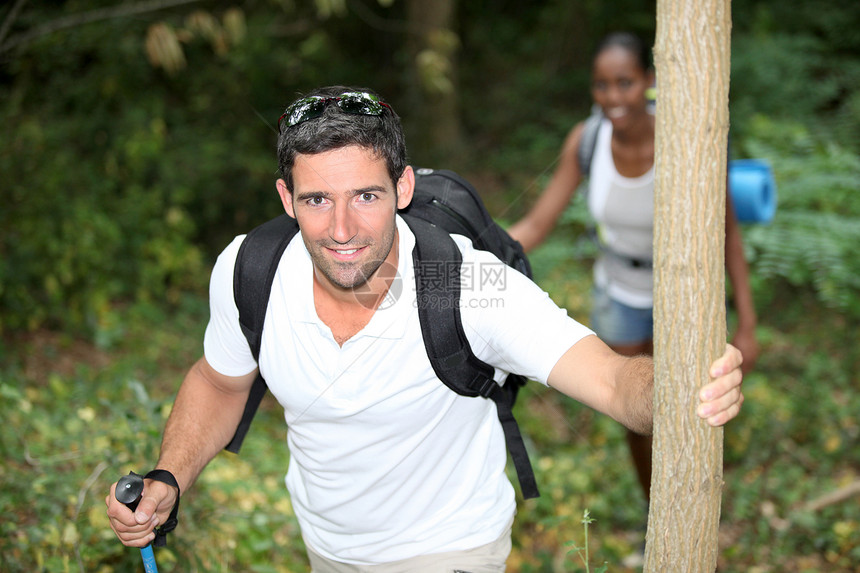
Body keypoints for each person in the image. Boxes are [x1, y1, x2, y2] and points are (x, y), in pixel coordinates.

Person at [106, 85, 745, 572]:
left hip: (451, 548)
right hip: (326, 548)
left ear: (404, 186)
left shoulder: (463, 285)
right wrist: (170, 476)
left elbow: (610, 380)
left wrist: (681, 386)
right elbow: (219, 384)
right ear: (285, 198)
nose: (342, 230)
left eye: (366, 195)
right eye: (316, 200)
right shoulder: (252, 269)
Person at [508, 32, 759, 505]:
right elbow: (538, 223)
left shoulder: (688, 140)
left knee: (698, 407)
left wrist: (747, 321)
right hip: (618, 293)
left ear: (649, 80)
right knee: (636, 413)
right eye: (601, 85)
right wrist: (466, 250)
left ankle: (699, 512)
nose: (613, 97)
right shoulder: (588, 140)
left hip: (684, 296)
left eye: (624, 82)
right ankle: (656, 510)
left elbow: (729, 234)